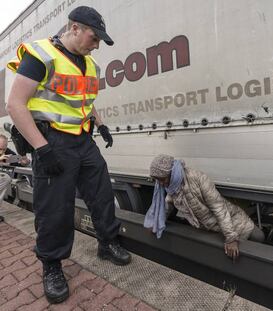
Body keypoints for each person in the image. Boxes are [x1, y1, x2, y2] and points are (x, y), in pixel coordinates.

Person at [6, 6, 131, 304]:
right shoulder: (41, 55)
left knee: (101, 193)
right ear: (74, 28)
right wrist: (42, 148)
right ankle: (52, 266)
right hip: (52, 142)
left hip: (83, 141)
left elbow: (83, 101)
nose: (97, 44)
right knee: (55, 208)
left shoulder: (90, 65)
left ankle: (106, 242)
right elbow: (15, 105)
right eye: (94, 37)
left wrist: (100, 125)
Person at [145, 154, 265, 260]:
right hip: (211, 228)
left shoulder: (197, 178)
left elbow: (219, 208)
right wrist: (155, 223)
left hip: (232, 220)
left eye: (162, 179)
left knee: (258, 237)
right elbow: (167, 204)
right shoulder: (172, 187)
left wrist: (231, 238)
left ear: (172, 172)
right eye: (157, 180)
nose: (160, 183)